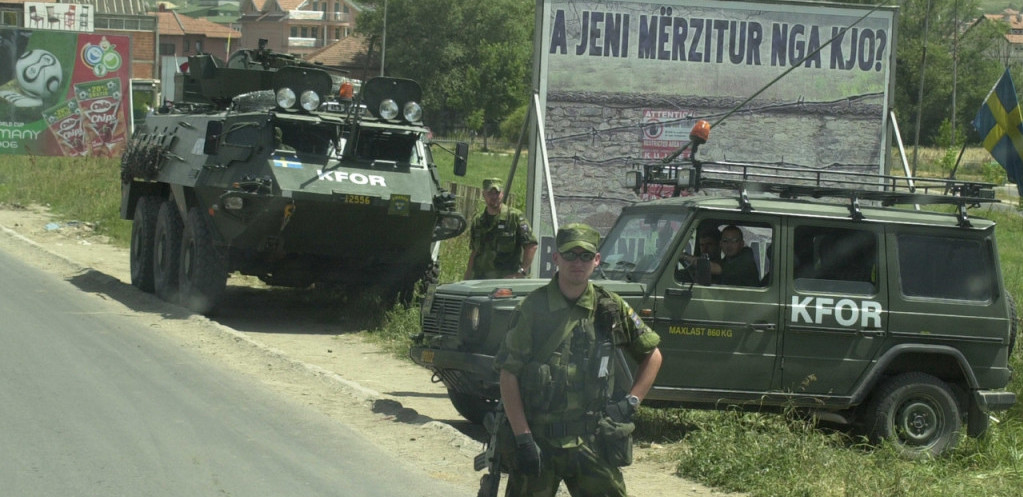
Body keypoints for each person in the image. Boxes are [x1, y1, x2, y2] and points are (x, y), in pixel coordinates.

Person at [494, 223, 663, 497]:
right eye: (570, 255)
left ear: (596, 260)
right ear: (556, 258)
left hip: (592, 440)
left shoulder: (610, 306)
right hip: (541, 439)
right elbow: (508, 374)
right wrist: (523, 438)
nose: (577, 262)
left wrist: (631, 402)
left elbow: (652, 355)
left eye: (585, 256)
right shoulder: (532, 309)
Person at [464, 178, 538, 279]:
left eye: (497, 193)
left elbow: (531, 245)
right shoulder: (478, 221)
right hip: (480, 282)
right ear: (483, 195)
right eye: (490, 193)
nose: (494, 197)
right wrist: (467, 276)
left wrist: (521, 272)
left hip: (506, 283)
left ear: (502, 194)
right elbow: (474, 251)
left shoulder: (514, 217)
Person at [682, 224, 759, 286]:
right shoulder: (726, 261)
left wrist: (684, 257)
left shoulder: (745, 259)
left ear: (742, 244)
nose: (729, 245)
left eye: (734, 241)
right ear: (721, 244)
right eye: (725, 241)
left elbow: (713, 268)